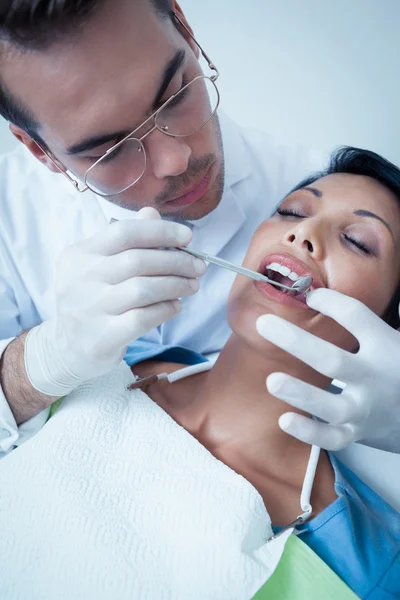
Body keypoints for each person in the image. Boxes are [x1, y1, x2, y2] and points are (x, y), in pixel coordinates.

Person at [0, 0, 400, 470]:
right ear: (39, 150)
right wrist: (45, 359)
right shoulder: (10, 216)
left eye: (174, 96)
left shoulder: (305, 178)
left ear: (185, 28)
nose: (176, 160)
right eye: (111, 150)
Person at [1, 147, 399, 600]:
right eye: (291, 211)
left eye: (359, 242)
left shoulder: (369, 568)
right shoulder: (109, 360)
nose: (304, 232)